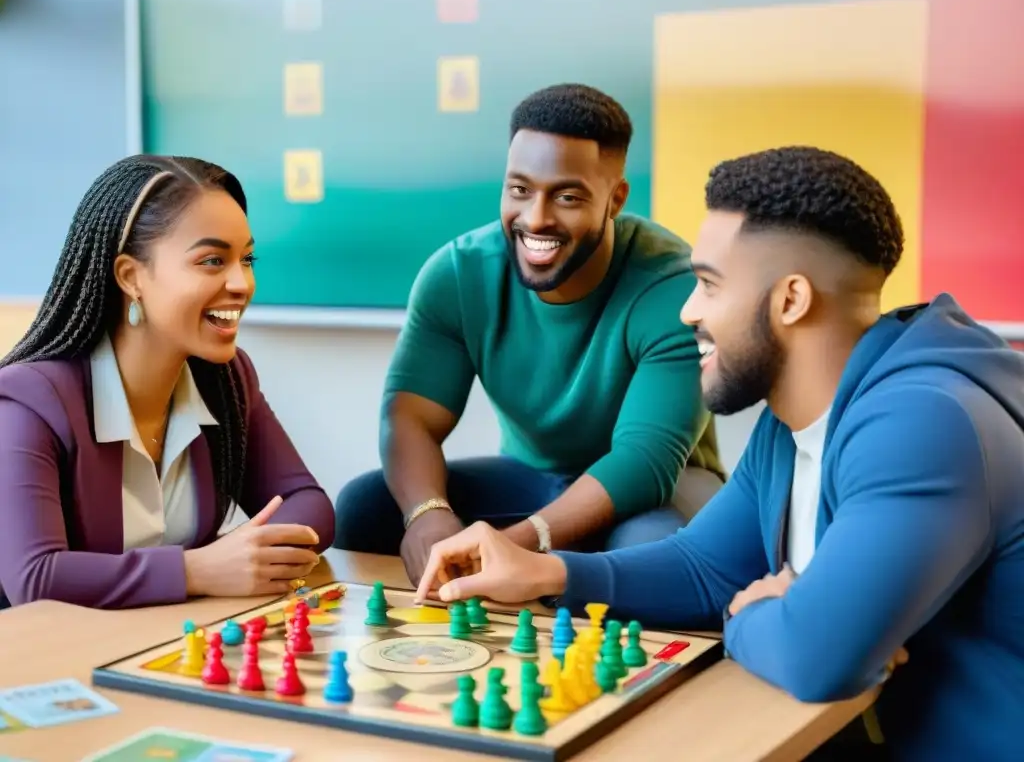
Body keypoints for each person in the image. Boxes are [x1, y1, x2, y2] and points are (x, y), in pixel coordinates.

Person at [411, 146, 1024, 760]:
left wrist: (750, 616)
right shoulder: (792, 423)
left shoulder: (923, 424)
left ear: (790, 300)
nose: (687, 311)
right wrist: (548, 571)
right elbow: (707, 567)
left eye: (708, 285)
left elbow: (815, 657)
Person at [334, 83, 723, 585]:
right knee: (366, 508)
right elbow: (411, 418)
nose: (535, 218)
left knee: (650, 547)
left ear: (615, 198)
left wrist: (511, 545)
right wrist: (428, 514)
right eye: (519, 190)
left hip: (662, 489)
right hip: (531, 477)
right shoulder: (457, 275)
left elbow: (643, 462)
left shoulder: (672, 286)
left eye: (566, 196)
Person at [0, 154, 336, 611]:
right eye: (213, 260)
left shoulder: (227, 380)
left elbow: (308, 503)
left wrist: (244, 557)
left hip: (161, 643)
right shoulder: (28, 401)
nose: (242, 283)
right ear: (130, 276)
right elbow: (35, 580)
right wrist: (200, 568)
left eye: (247, 258)